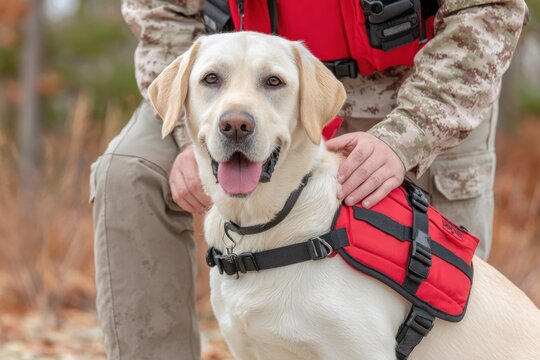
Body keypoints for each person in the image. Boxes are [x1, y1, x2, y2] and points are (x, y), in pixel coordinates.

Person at [89, 0, 528, 359]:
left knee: (449, 304)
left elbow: (489, 9)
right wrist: (192, 134)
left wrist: (407, 137)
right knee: (128, 171)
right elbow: (162, 12)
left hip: (423, 84)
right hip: (236, 77)